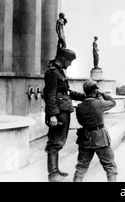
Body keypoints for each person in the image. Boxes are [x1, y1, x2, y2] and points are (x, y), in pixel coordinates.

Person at [44, 49, 86, 182]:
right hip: (58, 113)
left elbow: (67, 92)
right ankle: (53, 174)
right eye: (70, 61)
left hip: (63, 111)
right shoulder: (52, 72)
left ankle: (55, 170)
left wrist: (86, 96)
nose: (70, 64)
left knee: (59, 141)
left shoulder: (59, 71)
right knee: (55, 142)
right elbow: (49, 95)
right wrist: (52, 115)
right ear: (63, 59)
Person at [73, 80, 117, 182]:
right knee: (110, 167)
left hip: (85, 139)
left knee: (81, 168)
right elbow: (113, 102)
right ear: (95, 92)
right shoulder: (100, 104)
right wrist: (102, 93)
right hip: (100, 138)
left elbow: (80, 121)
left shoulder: (79, 107)